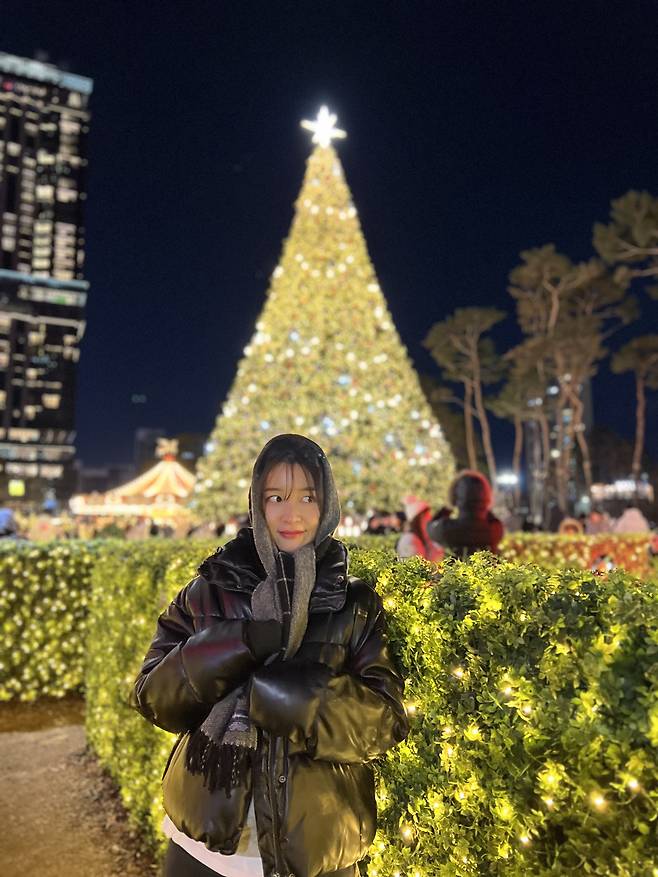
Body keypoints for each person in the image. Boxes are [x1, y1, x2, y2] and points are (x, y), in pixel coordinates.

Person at [131, 434, 409, 877]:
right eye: (276, 497)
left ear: (327, 505)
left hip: (316, 843)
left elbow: (384, 724)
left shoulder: (354, 604)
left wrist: (282, 695)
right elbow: (153, 698)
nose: (291, 513)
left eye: (307, 497)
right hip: (204, 844)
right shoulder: (209, 590)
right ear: (257, 504)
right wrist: (237, 643)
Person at [428, 470, 503, 557]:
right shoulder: (495, 529)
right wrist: (482, 503)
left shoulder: (445, 529)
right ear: (487, 497)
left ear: (455, 496)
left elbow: (430, 527)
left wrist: (448, 506)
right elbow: (489, 515)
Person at [395, 495, 444, 561]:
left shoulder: (426, 538)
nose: (429, 517)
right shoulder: (409, 540)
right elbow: (417, 565)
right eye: (426, 515)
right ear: (417, 520)